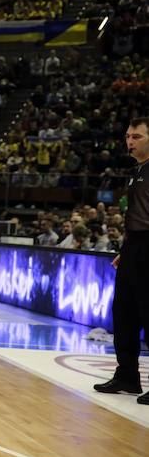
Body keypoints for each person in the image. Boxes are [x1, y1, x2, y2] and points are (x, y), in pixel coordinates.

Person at [94, 117, 149, 405]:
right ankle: (127, 376)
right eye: (128, 136)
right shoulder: (135, 171)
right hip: (133, 248)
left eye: (137, 136)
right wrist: (126, 250)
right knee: (124, 314)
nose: (130, 141)